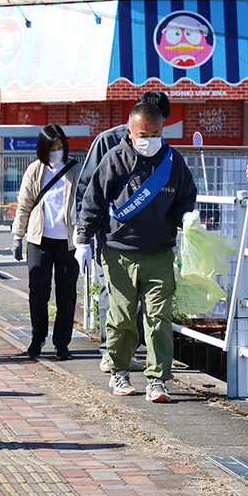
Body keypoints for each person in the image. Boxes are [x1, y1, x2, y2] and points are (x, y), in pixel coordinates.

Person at [76, 100, 197, 404]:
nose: (149, 140)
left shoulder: (173, 161)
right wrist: (82, 241)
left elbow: (186, 196)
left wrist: (186, 215)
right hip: (118, 252)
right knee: (122, 316)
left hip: (159, 251)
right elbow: (93, 202)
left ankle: (157, 379)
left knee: (159, 317)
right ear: (130, 131)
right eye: (143, 134)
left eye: (155, 133)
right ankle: (120, 371)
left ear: (162, 130)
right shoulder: (114, 159)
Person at [76, 91, 171, 373]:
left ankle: (127, 352)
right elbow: (86, 190)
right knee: (113, 297)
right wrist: (83, 235)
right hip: (111, 237)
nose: (152, 135)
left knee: (142, 302)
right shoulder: (107, 142)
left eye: (159, 127)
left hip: (149, 242)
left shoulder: (160, 147)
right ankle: (109, 351)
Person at [10, 124, 80, 360]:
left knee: (67, 295)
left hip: (68, 242)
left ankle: (62, 343)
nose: (57, 151)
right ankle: (37, 338)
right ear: (43, 148)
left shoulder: (75, 169)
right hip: (39, 240)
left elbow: (84, 204)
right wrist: (17, 237)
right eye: (52, 147)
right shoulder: (34, 170)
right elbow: (24, 205)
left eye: (60, 146)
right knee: (38, 293)